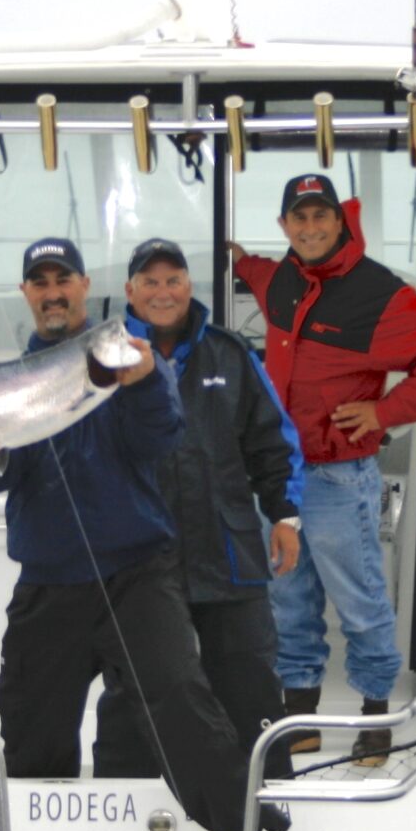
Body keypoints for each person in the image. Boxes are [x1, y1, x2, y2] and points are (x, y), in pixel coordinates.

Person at [0, 233, 287, 831]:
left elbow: (163, 432)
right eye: (40, 283)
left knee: (180, 700)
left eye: (64, 281)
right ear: (27, 294)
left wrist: (137, 384)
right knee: (29, 717)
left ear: (85, 289)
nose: (53, 293)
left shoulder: (132, 362)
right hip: (48, 580)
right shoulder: (6, 383)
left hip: (137, 573)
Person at [230, 174, 416, 764]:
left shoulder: (377, 294)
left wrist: (384, 410)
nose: (310, 228)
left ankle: (377, 718)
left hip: (339, 477)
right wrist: (236, 261)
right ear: (285, 226)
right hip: (279, 477)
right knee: (289, 600)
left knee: (361, 601)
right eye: (298, 217)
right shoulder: (281, 278)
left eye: (320, 216)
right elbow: (256, 274)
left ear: (339, 221)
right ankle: (301, 716)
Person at [92, 236, 305, 788]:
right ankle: (126, 797)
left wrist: (285, 515)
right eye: (151, 282)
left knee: (250, 678)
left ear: (189, 287)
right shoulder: (101, 360)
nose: (163, 292)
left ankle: (270, 796)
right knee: (134, 683)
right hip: (138, 557)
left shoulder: (230, 354)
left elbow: (271, 441)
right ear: (130, 292)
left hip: (227, 551)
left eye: (173, 280)